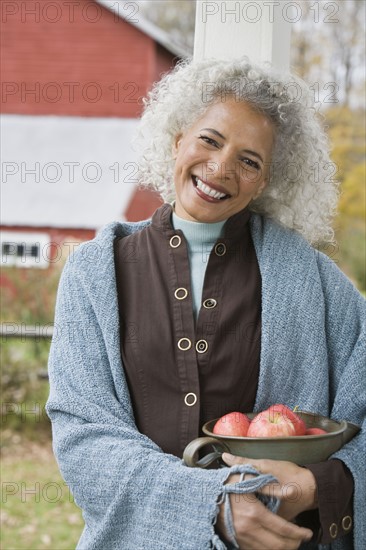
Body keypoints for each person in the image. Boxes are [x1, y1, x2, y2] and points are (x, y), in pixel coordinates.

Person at [46, 57, 365, 550]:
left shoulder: (317, 283)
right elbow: (84, 437)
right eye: (210, 140)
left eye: (249, 160)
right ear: (177, 139)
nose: (220, 168)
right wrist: (210, 504)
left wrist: (319, 486)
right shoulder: (95, 273)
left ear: (266, 181)